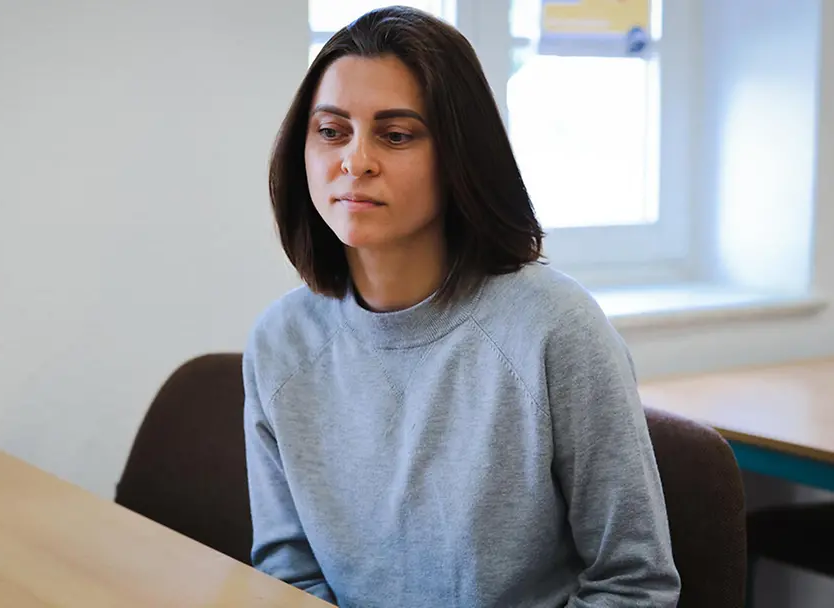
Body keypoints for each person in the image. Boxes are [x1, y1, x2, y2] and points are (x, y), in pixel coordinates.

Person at [242, 6, 681, 607]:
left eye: (395, 134)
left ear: (458, 156)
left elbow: (634, 585)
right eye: (332, 130)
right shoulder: (279, 341)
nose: (356, 161)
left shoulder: (555, 327)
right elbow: (287, 575)